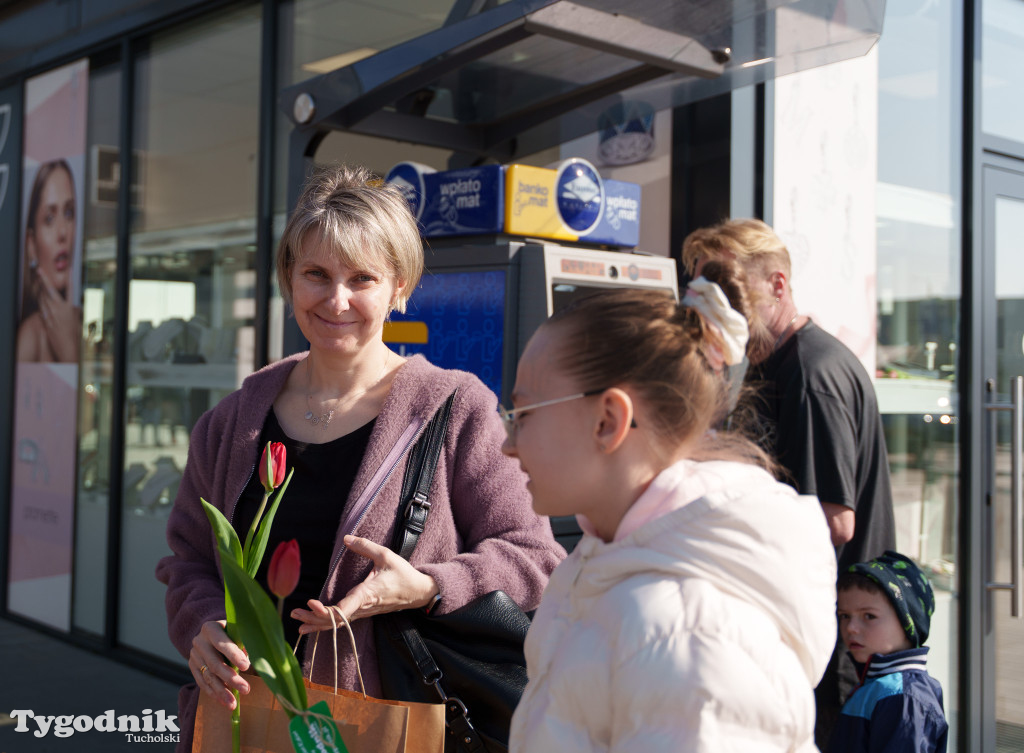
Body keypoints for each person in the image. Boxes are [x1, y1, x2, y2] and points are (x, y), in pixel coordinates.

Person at [155, 164, 565, 752]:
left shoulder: (455, 409)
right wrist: (199, 626)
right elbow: (188, 559)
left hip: (385, 722)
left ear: (399, 287)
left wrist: (426, 584)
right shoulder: (232, 423)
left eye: (363, 278)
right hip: (245, 718)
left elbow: (536, 557)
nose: (337, 299)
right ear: (288, 279)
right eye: (316, 274)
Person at [503, 287, 837, 752]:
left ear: (608, 420)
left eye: (522, 413)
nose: (508, 443)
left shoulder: (689, 632)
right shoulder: (612, 562)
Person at [682, 218, 897, 745]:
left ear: (777, 285)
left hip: (835, 642)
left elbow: (834, 521)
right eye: (706, 289)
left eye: (730, 288)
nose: (719, 303)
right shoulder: (767, 363)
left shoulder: (810, 372)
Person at [829, 551, 947, 752]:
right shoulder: (878, 686)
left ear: (906, 622)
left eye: (869, 616)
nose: (851, 628)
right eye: (845, 616)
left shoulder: (902, 697)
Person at [17, 159, 82, 363]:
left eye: (69, 213)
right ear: (31, 245)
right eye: (49, 219)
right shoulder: (29, 337)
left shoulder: (80, 323)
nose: (63, 232)